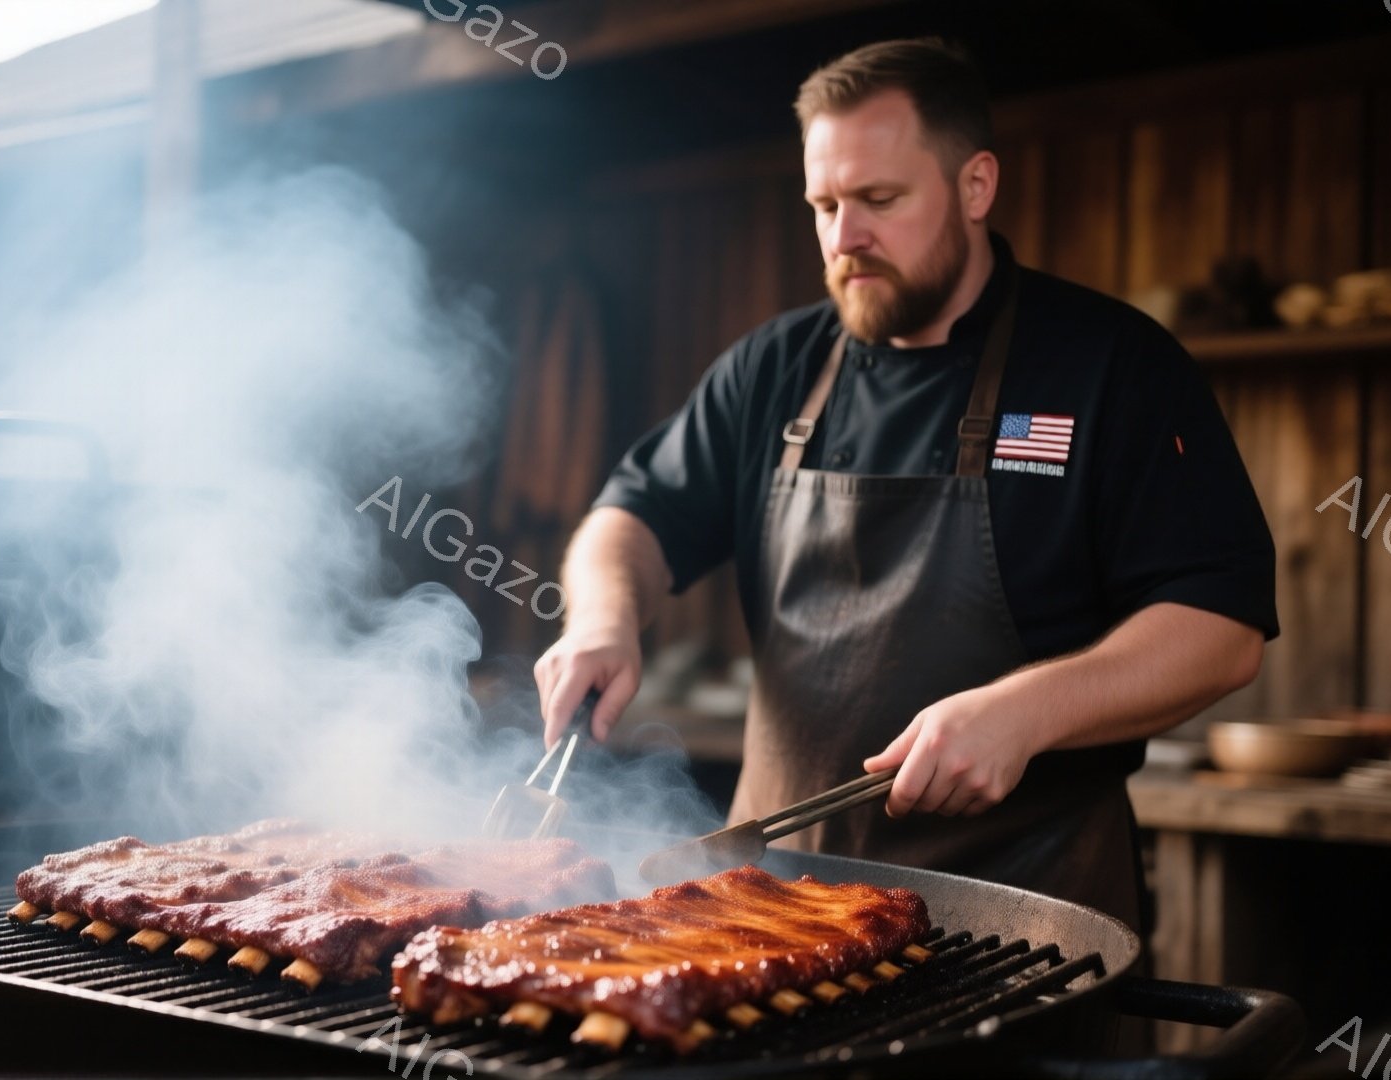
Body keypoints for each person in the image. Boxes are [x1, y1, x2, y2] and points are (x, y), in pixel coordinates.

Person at [534, 37, 1277, 927]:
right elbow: (634, 516)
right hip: (772, 902)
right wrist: (605, 617)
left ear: (975, 187)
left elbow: (1222, 629)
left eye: (880, 199)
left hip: (1026, 921)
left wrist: (1029, 710)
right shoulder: (773, 368)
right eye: (825, 204)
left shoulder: (1111, 365)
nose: (846, 237)